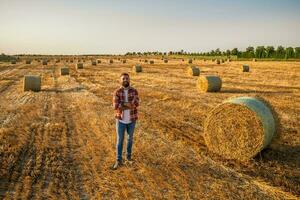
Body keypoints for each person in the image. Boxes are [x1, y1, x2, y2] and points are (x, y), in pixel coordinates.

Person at [112, 73, 139, 170]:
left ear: (129, 79)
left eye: (127, 78)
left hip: (131, 119)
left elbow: (136, 103)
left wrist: (123, 104)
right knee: (120, 140)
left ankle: (128, 158)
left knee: (130, 139)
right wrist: (129, 104)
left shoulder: (134, 91)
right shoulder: (117, 92)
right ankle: (118, 160)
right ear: (120, 80)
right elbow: (116, 106)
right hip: (121, 120)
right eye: (123, 79)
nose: (125, 80)